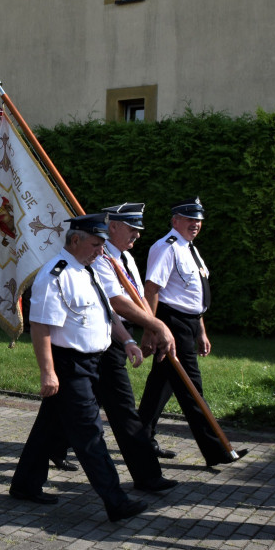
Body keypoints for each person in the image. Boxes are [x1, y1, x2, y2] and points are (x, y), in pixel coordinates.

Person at [9, 213, 148, 523]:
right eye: (97, 244)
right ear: (75, 240)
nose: (102, 251)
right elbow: (40, 327)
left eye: (103, 245)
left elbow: (107, 314)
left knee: (49, 427)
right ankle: (116, 500)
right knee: (90, 434)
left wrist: (126, 341)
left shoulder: (87, 271)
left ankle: (24, 484)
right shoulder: (55, 275)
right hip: (70, 367)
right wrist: (48, 372)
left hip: (93, 363)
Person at [137, 198, 248, 467]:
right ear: (175, 220)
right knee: (191, 386)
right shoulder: (167, 247)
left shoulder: (190, 249)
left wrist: (201, 331)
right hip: (171, 322)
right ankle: (217, 450)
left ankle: (139, 441)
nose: (195, 224)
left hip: (188, 322)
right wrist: (150, 328)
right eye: (189, 219)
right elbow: (152, 289)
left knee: (161, 385)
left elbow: (194, 298)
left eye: (198, 220)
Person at [79, 203, 179, 492]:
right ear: (113, 227)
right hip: (105, 334)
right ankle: (148, 476)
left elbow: (136, 296)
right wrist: (157, 326)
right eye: (132, 228)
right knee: (123, 406)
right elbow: (116, 301)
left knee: (72, 404)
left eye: (138, 230)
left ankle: (39, 462)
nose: (136, 235)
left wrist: (149, 325)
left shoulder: (125, 258)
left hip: (124, 330)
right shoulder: (100, 257)